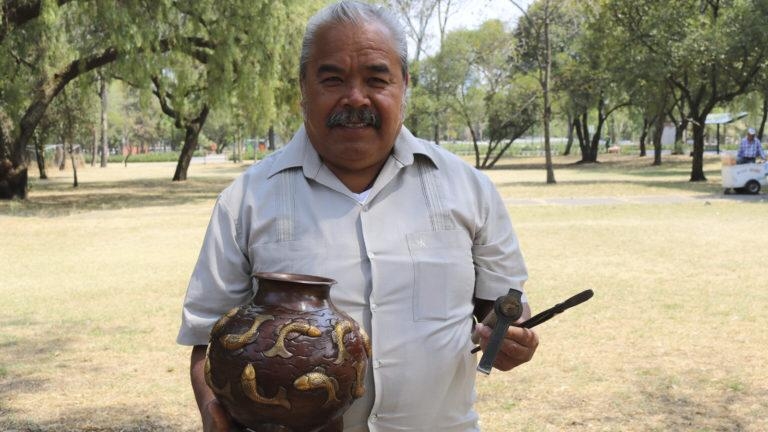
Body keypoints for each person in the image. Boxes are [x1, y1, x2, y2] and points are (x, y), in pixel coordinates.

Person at [176, 2, 538, 431]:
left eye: (376, 79)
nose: (355, 97)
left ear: (404, 85)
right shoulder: (246, 201)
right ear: (303, 88)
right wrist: (212, 412)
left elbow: (504, 307)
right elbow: (207, 339)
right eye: (332, 79)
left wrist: (510, 337)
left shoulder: (469, 190)